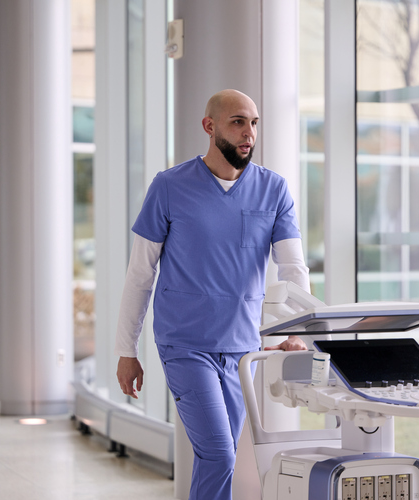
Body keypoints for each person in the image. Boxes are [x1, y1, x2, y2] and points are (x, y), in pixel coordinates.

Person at [115, 89, 310, 500]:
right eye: (238, 121)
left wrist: (298, 331)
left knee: (216, 458)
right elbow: (140, 275)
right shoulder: (168, 187)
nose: (249, 133)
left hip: (242, 348)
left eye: (254, 123)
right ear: (210, 127)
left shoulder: (273, 190)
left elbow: (293, 267)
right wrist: (126, 350)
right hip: (185, 344)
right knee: (220, 453)